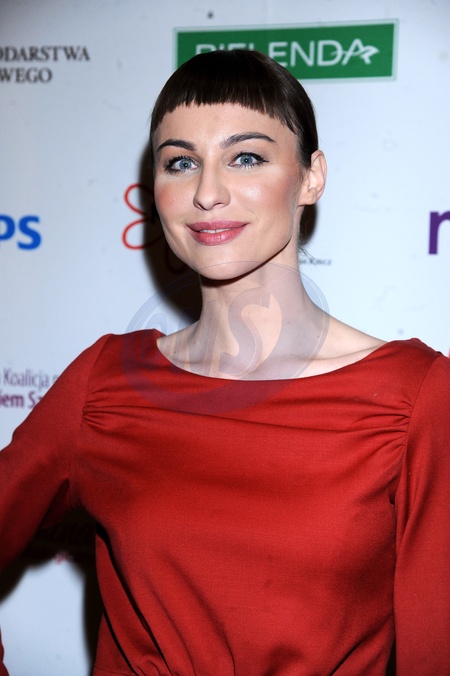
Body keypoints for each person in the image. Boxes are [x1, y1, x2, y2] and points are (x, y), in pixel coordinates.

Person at [0, 49, 449, 675]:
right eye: (181, 163)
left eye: (246, 157)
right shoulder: (103, 384)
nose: (207, 193)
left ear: (311, 177)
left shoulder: (415, 398)